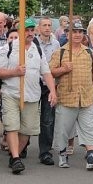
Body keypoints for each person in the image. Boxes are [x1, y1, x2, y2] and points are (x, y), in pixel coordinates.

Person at [0, 18, 57, 174]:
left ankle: (14, 154)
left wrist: (53, 91)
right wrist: (14, 72)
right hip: (12, 94)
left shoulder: (37, 49)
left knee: (27, 130)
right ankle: (16, 158)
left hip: (32, 96)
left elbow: (46, 72)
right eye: (26, 30)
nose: (29, 33)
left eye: (31, 30)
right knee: (12, 127)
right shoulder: (7, 48)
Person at [49, 20, 93, 170]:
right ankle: (62, 153)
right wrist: (63, 69)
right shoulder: (60, 52)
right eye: (74, 31)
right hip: (67, 97)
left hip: (86, 96)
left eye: (80, 32)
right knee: (63, 128)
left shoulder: (88, 52)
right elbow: (50, 73)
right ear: (67, 34)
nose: (77, 34)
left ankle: (91, 155)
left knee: (89, 126)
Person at [36, 16, 60, 166]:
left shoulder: (56, 44)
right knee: (28, 116)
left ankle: (45, 152)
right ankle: (22, 147)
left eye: (49, 25)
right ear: (39, 28)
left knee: (48, 120)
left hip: (49, 84)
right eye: (44, 25)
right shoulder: (33, 43)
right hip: (33, 83)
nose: (46, 28)